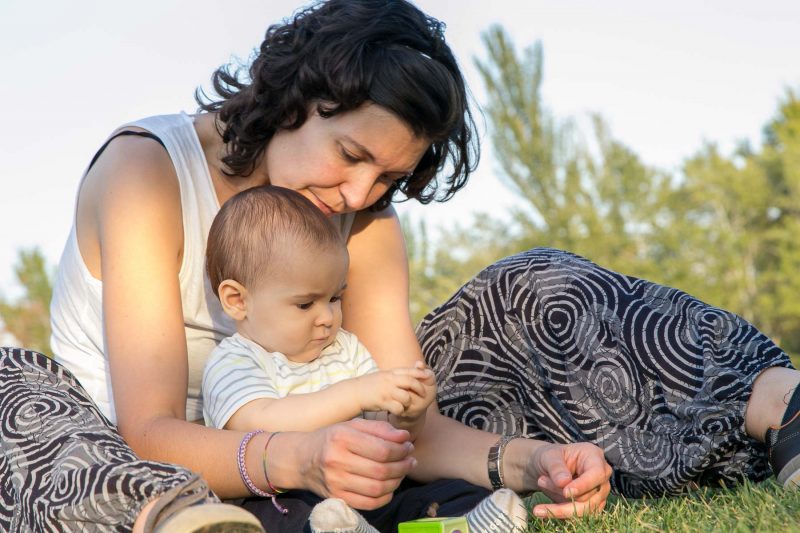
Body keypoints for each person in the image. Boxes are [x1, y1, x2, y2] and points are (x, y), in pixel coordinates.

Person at [0, 0, 795, 530]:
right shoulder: (146, 174)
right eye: (349, 155)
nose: (356, 193)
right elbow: (149, 427)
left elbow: (407, 417)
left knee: (528, 286)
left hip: (325, 436)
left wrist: (520, 460)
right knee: (11, 390)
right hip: (129, 459)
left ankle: (779, 409)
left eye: (386, 177)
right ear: (295, 98)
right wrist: (300, 458)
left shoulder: (358, 214)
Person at [201, 184, 528, 532]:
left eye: (334, 298)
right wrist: (357, 393)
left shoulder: (345, 348)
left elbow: (383, 424)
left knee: (445, 493)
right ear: (237, 300)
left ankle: (463, 522)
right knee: (286, 515)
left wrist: (407, 414)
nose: (326, 316)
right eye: (304, 304)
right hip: (287, 495)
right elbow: (258, 421)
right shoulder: (234, 360)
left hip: (372, 491)